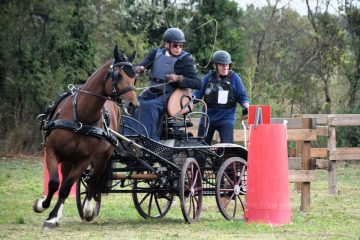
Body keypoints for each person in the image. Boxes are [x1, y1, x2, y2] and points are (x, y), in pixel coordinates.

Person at [129, 27, 200, 140]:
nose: (179, 49)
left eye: (181, 46)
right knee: (133, 104)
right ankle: (129, 135)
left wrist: (178, 78)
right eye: (175, 45)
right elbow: (143, 65)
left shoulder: (185, 59)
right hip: (152, 90)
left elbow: (197, 83)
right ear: (167, 44)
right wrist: (139, 68)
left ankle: (149, 139)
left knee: (150, 106)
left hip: (170, 94)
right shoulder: (155, 53)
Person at [193, 50, 250, 145]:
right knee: (200, 148)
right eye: (222, 65)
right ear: (215, 66)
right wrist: (188, 102)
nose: (225, 67)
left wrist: (246, 106)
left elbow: (242, 96)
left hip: (226, 119)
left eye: (227, 65)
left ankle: (223, 159)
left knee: (228, 147)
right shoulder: (208, 78)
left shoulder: (235, 78)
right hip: (207, 118)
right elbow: (197, 94)